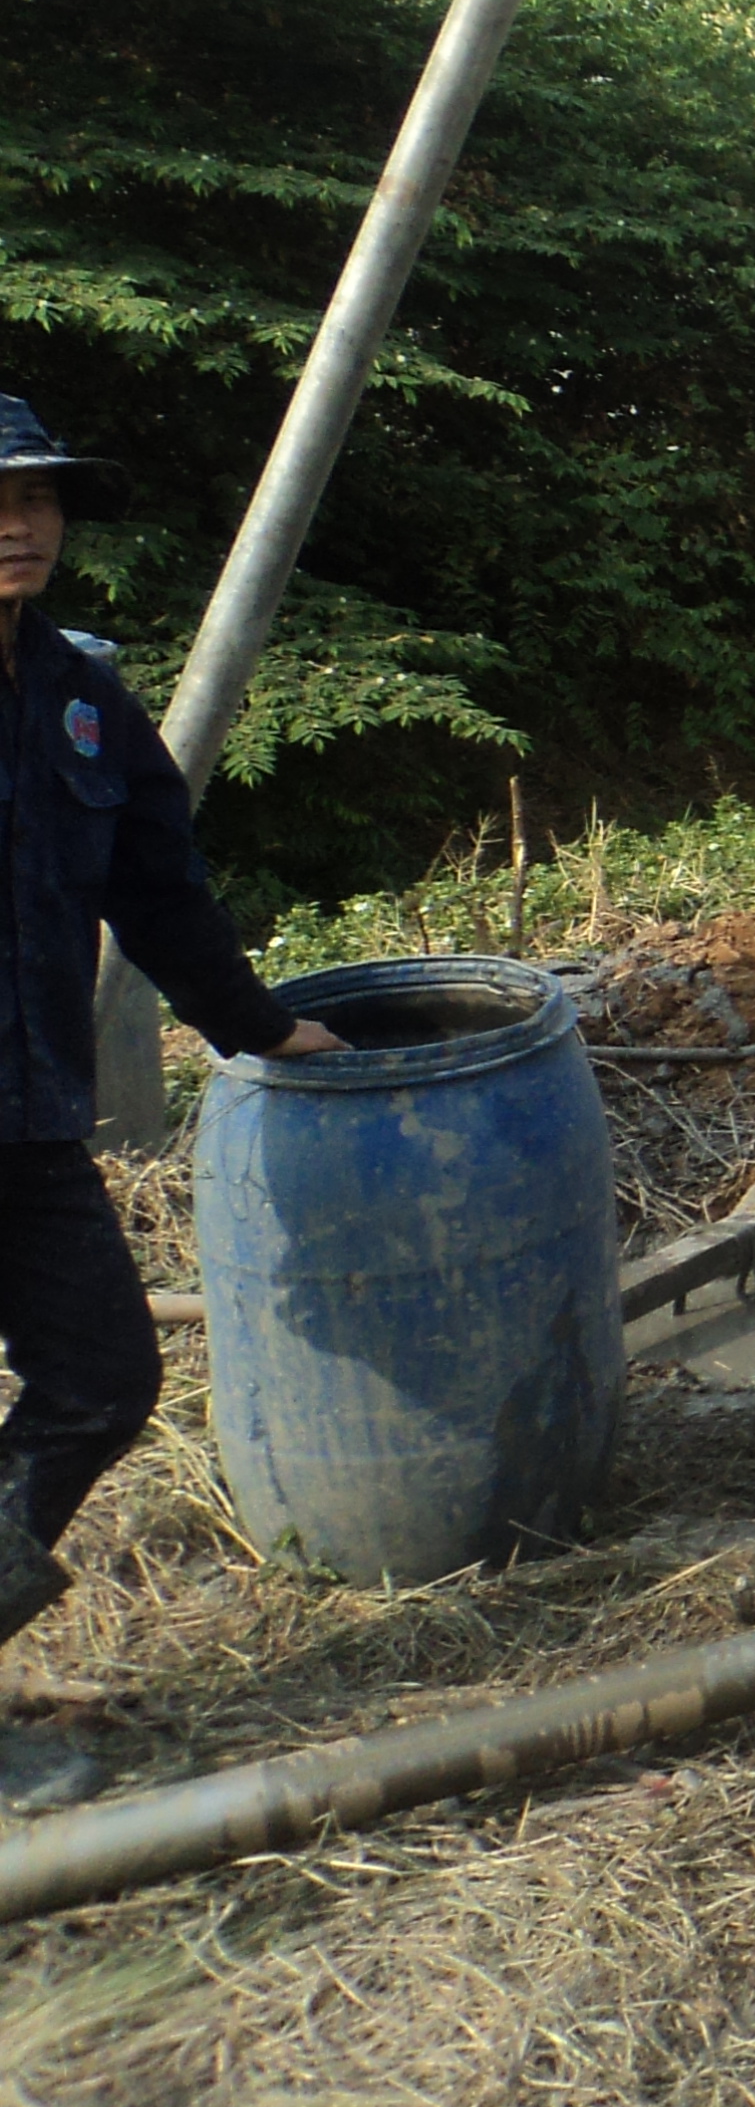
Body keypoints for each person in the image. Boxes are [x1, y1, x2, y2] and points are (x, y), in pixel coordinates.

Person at [1, 399, 345, 1767]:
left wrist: (259, 1028)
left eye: (36, 496)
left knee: (103, 1377)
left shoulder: (83, 697)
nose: (16, 523)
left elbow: (160, 891)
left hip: (28, 1121)